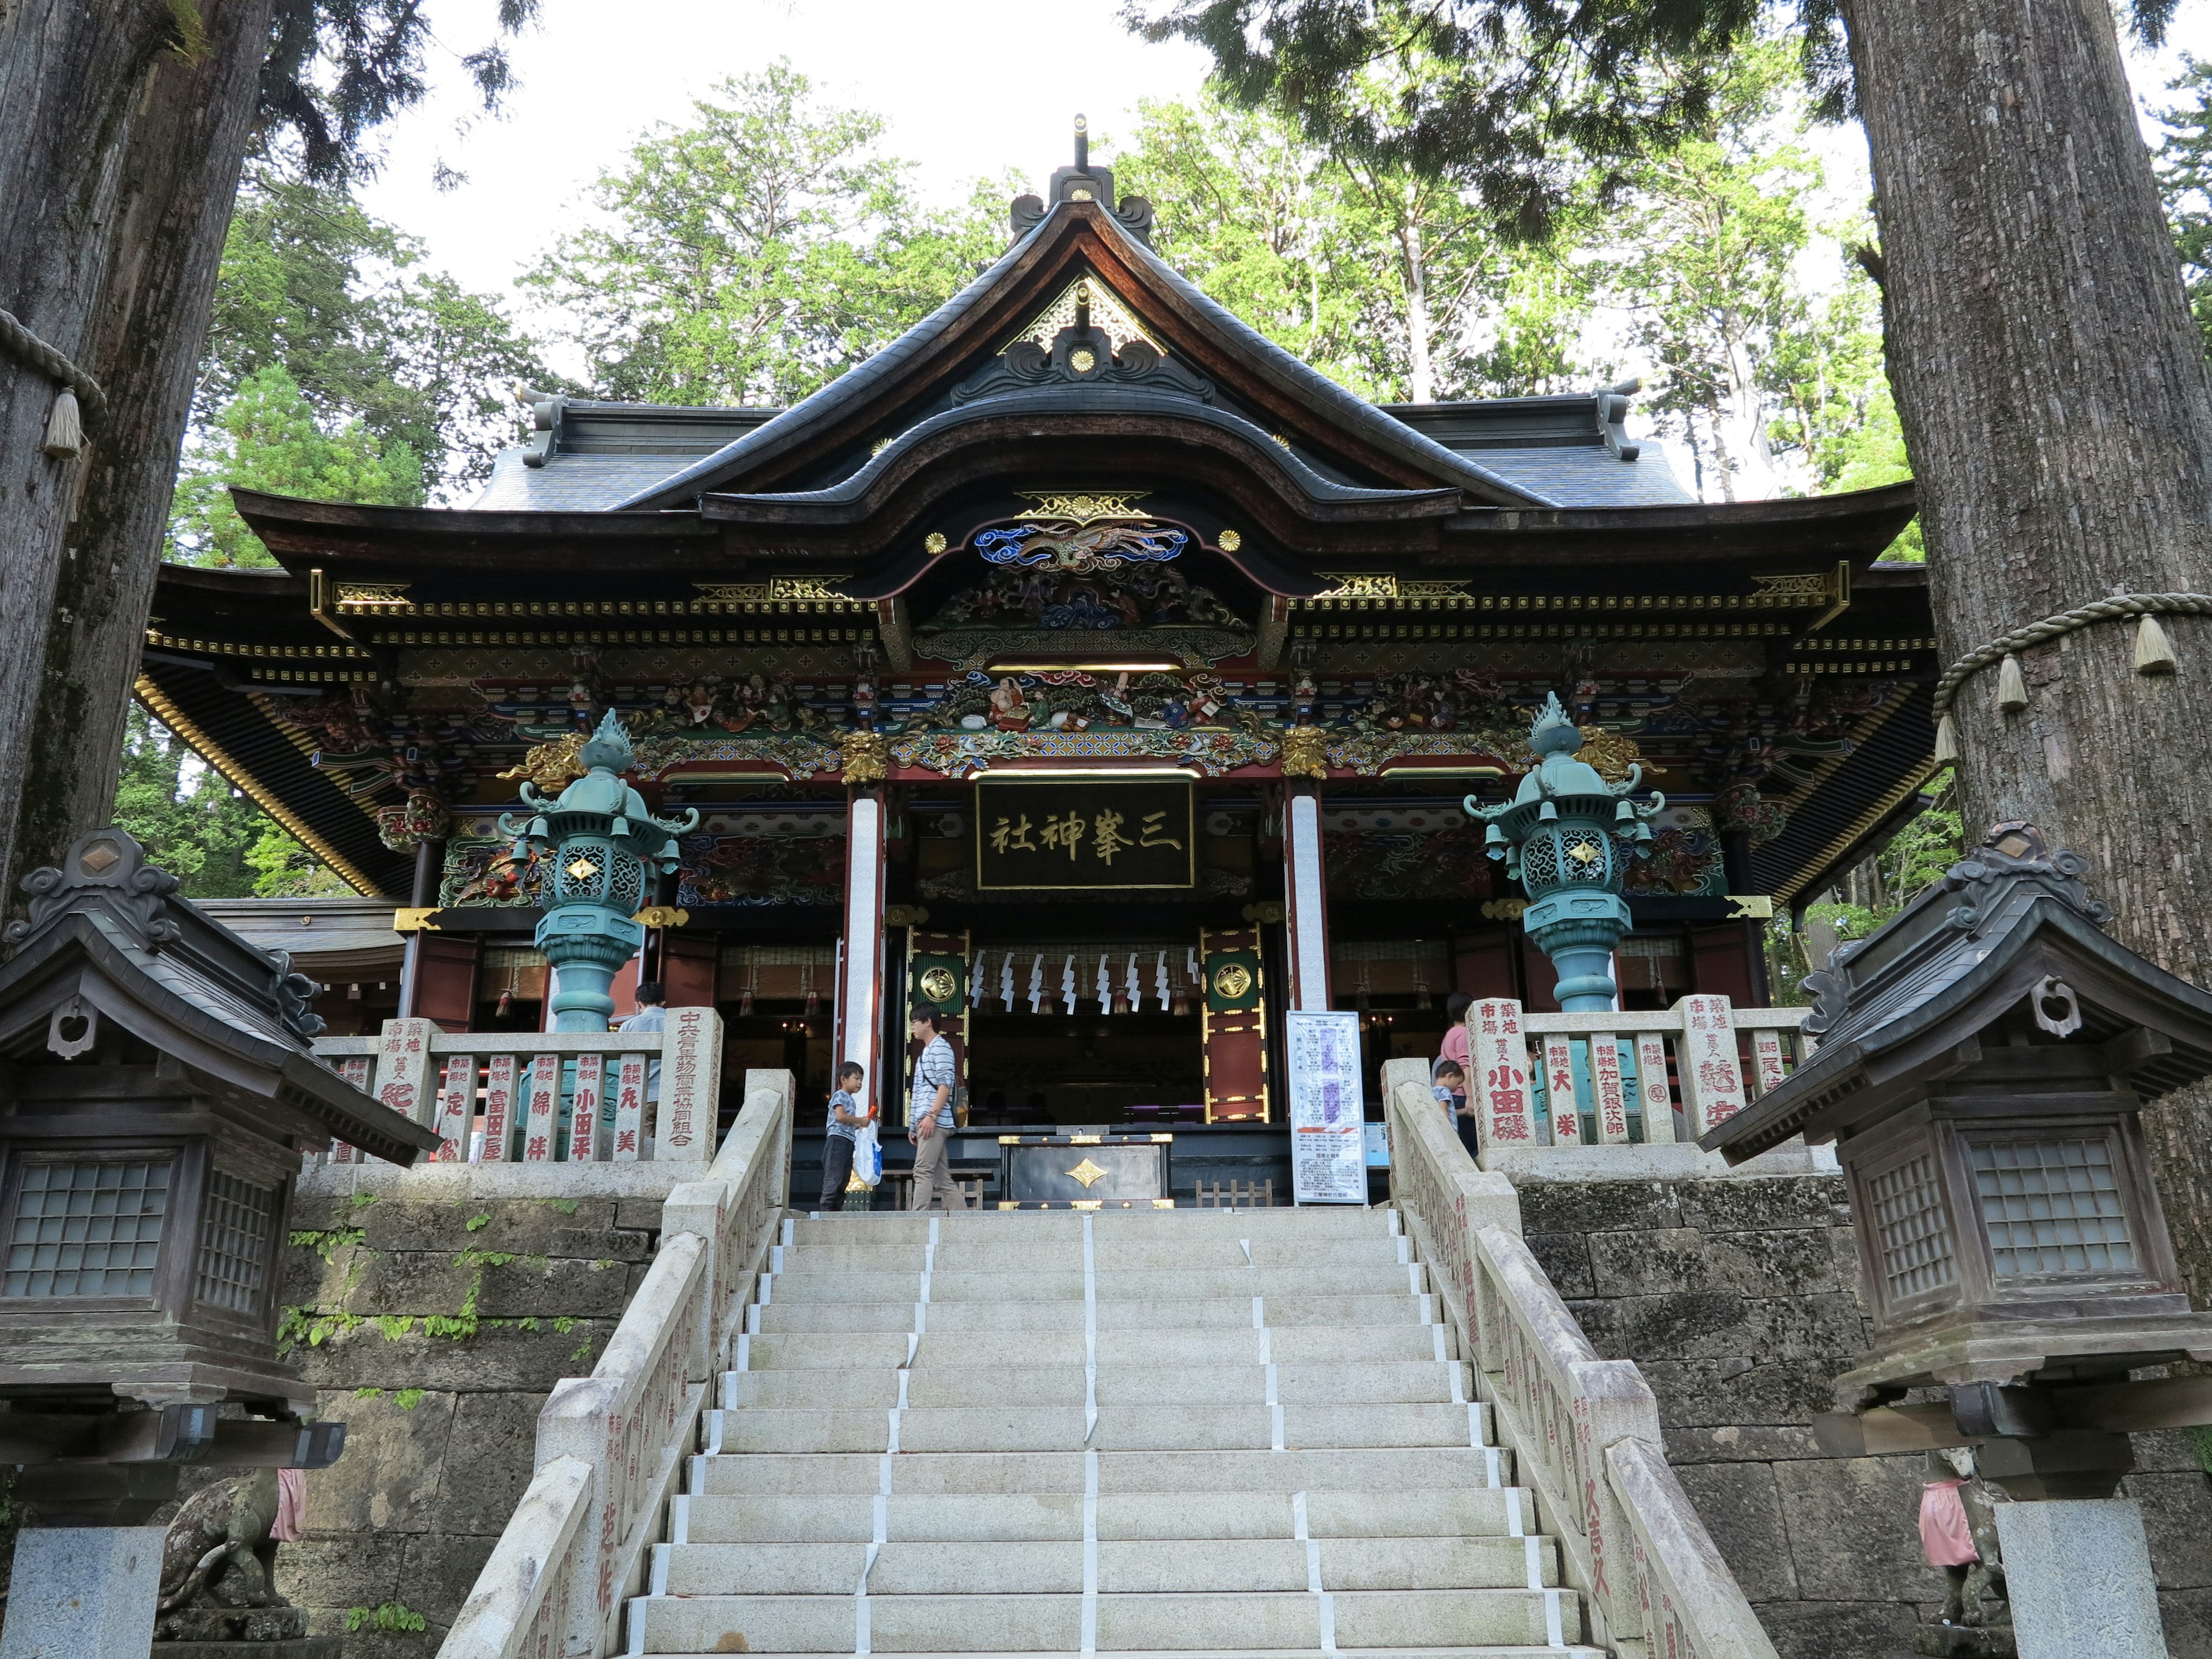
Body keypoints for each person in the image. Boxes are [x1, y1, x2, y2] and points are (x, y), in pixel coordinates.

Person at [906, 1003, 962, 1211]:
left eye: (914, 1022)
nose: (912, 1027)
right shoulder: (927, 1051)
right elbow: (920, 1092)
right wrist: (914, 1126)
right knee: (942, 1179)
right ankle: (964, 1223)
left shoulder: (940, 1047)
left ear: (928, 1022)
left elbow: (945, 1085)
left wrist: (931, 1116)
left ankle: (918, 1220)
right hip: (928, 1121)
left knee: (922, 1171)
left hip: (934, 1121)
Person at [820, 1060, 872, 1211]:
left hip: (847, 1141)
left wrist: (859, 1124)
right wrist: (860, 1120)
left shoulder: (849, 1099)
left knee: (844, 1179)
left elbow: (846, 1122)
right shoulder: (840, 1095)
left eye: (861, 1079)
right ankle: (826, 1210)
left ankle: (836, 1210)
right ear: (844, 1080)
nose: (860, 1083)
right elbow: (841, 1117)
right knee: (834, 1178)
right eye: (856, 1079)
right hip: (837, 1141)